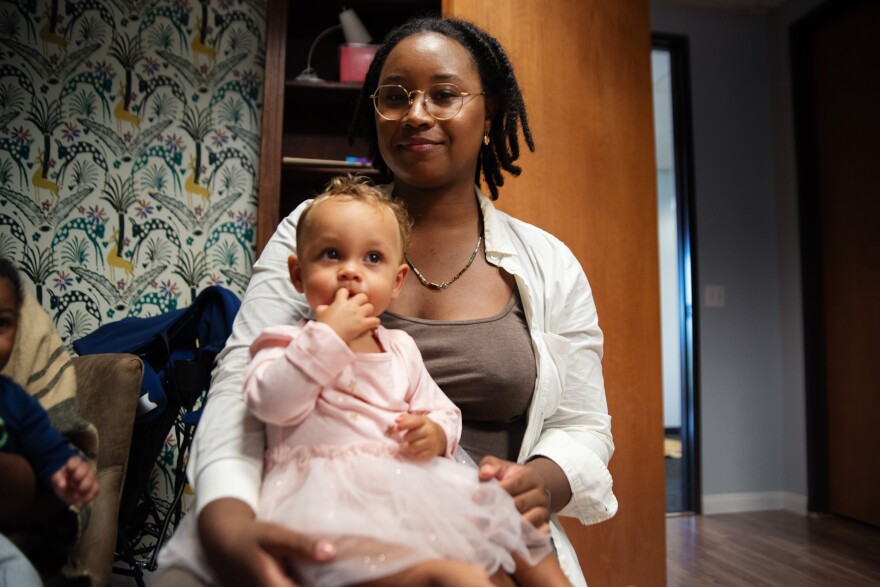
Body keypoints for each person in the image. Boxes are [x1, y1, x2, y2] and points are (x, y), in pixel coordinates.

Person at [159, 16, 616, 587]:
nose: (417, 113)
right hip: (333, 516)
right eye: (395, 96)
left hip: (478, 521)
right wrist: (226, 524)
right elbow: (242, 385)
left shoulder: (550, 264)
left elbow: (584, 424)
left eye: (444, 94)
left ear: (491, 110)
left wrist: (540, 482)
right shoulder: (314, 231)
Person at [165, 176, 569, 586]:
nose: (351, 272)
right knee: (455, 576)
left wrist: (434, 432)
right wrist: (327, 338)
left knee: (518, 529)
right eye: (331, 254)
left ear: (397, 283)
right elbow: (269, 403)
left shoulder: (400, 348)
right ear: (298, 275)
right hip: (325, 497)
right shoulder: (285, 342)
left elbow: (441, 409)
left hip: (407, 486)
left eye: (372, 258)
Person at [0, 258, 99, 585]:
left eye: (1, 324)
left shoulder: (14, 400)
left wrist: (70, 472)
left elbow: (51, 451)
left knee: (21, 575)